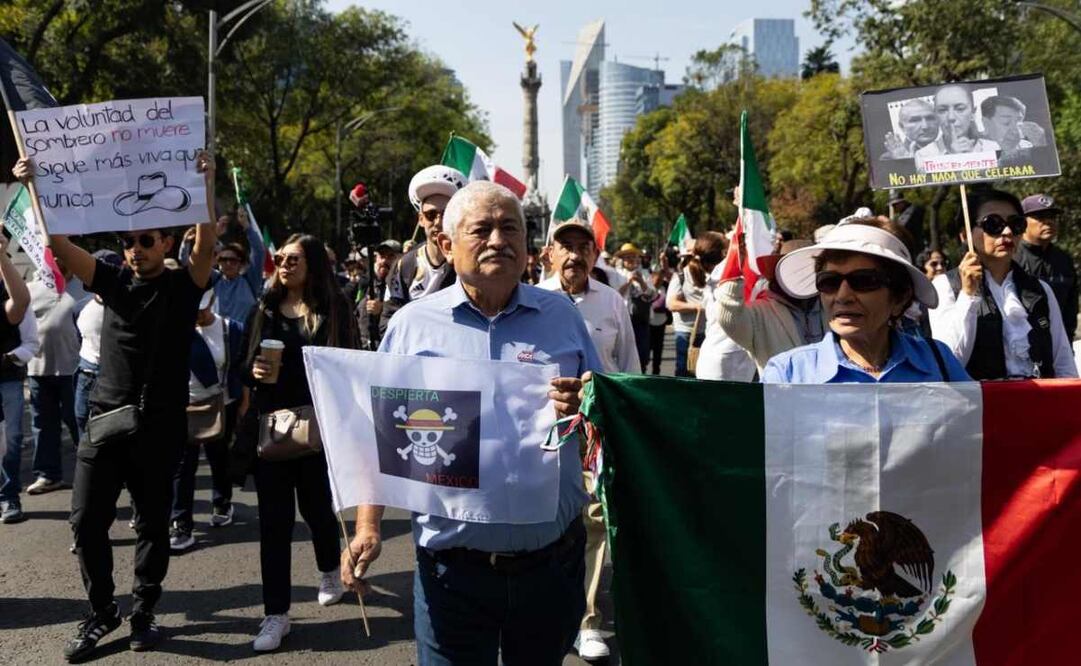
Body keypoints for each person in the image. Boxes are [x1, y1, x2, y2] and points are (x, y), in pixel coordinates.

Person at [340, 181, 601, 666]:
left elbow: (607, 414)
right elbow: (380, 434)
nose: (498, 240)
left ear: (528, 244)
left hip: (550, 566)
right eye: (481, 229)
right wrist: (368, 527)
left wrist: (588, 402)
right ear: (446, 244)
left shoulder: (562, 316)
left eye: (510, 228)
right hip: (451, 575)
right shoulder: (412, 327)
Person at [15, 151, 217, 660]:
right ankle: (103, 611)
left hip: (160, 428)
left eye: (145, 240)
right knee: (85, 523)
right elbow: (60, 246)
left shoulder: (183, 287)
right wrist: (35, 187)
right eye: (127, 241)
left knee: (152, 527)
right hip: (104, 424)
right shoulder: (113, 281)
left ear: (166, 242)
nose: (134, 250)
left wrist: (205, 183)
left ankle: (145, 612)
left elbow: (207, 243)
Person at [242, 234, 359, 652]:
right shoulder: (266, 308)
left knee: (317, 511)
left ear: (312, 264)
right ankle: (276, 615)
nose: (284, 265)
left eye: (293, 259)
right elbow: (243, 362)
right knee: (273, 524)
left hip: (320, 430)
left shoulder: (336, 308)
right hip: (274, 429)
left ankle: (329, 569)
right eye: (279, 258)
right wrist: (253, 371)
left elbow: (351, 363)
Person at [540, 217, 637, 662]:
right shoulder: (532, 301)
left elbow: (628, 365)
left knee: (595, 520)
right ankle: (545, 610)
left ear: (596, 256)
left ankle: (589, 619)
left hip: (595, 427)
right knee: (550, 521)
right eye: (566, 246)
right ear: (549, 254)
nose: (575, 254)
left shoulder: (612, 302)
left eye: (584, 246)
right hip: (542, 431)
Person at [764, 217, 969, 383]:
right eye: (829, 282)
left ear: (899, 298)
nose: (843, 296)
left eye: (863, 281)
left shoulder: (939, 362)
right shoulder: (787, 375)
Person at [930, 189, 1078, 379]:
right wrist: (968, 295)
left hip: (1037, 403)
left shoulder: (1040, 290)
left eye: (1016, 224)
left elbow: (1063, 361)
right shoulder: (945, 286)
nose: (1007, 232)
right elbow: (949, 362)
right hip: (979, 404)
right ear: (965, 235)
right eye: (994, 224)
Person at [169, 290, 245, 552]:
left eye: (201, 308)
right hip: (183, 406)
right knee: (182, 467)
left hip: (220, 406)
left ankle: (223, 502)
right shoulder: (175, 328)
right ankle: (181, 523)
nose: (197, 314)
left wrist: (243, 405)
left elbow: (240, 369)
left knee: (219, 458)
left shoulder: (231, 329)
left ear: (212, 302)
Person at [25, 258, 88, 497]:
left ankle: (94, 473)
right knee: (43, 426)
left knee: (79, 423)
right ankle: (48, 475)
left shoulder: (84, 286)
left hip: (75, 369)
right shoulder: (32, 288)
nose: (59, 259)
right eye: (53, 255)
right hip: (39, 369)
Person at [716, 240, 827, 375]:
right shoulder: (759, 313)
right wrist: (735, 264)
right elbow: (729, 317)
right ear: (778, 272)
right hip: (782, 394)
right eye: (793, 269)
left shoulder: (830, 307)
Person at [382, 165, 467, 324]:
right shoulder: (403, 265)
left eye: (445, 214)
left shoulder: (467, 262)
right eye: (430, 215)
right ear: (421, 220)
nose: (438, 221)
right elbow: (389, 319)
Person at [0, 228, 34, 524]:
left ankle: (9, 496)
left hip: (6, 381)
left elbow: (20, 303)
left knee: (9, 441)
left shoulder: (6, 288)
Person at [181, 207, 266, 326]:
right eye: (223, 259)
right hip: (217, 339)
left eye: (233, 260)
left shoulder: (250, 281)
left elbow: (259, 251)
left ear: (241, 263)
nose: (228, 264)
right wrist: (187, 242)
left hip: (243, 339)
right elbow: (188, 264)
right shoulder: (214, 279)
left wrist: (247, 226)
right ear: (218, 262)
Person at [73, 251, 123, 442]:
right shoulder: (79, 308)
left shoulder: (131, 305)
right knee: (84, 429)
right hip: (86, 378)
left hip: (118, 380)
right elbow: (81, 338)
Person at [1014, 194, 1077, 342]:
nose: (1049, 221)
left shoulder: (1063, 259)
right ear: (1023, 222)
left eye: (1052, 217)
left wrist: (1067, 342)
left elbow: (1070, 306)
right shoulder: (1011, 258)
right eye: (1040, 217)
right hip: (1022, 347)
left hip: (1059, 345)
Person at [696, 232, 756, 382]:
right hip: (728, 361)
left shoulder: (714, 275)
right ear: (724, 252)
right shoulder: (726, 275)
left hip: (719, 356)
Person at [916, 84, 1000, 159]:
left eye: (960, 109)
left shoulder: (992, 148)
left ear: (973, 112)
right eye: (942, 110)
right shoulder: (924, 156)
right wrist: (954, 158)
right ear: (936, 115)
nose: (951, 117)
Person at [666, 242, 708, 377]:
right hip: (685, 332)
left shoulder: (710, 275)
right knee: (685, 371)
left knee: (703, 372)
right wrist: (695, 307)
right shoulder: (680, 277)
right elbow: (671, 304)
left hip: (707, 331)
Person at [613, 243, 656, 372]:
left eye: (634, 257)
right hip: (623, 318)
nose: (632, 260)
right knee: (623, 352)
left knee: (642, 354)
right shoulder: (616, 274)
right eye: (628, 257)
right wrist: (628, 282)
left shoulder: (644, 273)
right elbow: (613, 295)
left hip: (641, 319)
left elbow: (652, 295)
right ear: (623, 259)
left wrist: (642, 282)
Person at [358, 240, 401, 351]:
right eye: (381, 256)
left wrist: (383, 309)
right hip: (362, 347)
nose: (384, 261)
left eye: (390, 256)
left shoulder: (402, 284)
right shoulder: (366, 282)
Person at [980, 95, 1046, 159]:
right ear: (986, 123)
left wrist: (1040, 145)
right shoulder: (976, 150)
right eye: (1006, 123)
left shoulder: (1026, 146)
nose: (1015, 130)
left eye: (1019, 123)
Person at [647, 271, 670, 375]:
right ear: (651, 279)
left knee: (658, 348)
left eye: (660, 280)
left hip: (661, 322)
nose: (658, 282)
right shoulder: (647, 288)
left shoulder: (666, 287)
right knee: (647, 348)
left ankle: (656, 371)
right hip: (648, 322)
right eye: (656, 280)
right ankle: (644, 369)